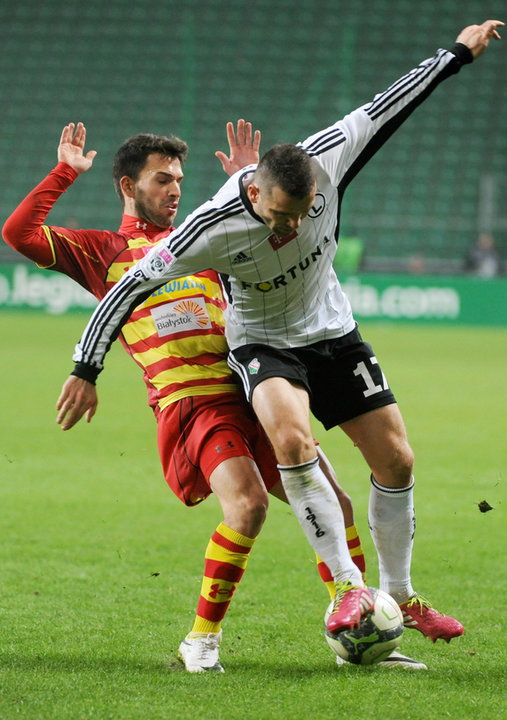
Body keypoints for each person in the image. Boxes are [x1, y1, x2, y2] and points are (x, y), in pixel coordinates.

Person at [57, 19, 501, 650]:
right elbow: (129, 288)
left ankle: (400, 595)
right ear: (255, 193)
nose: (291, 226)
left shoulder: (327, 155)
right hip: (263, 342)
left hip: (333, 330)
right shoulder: (209, 227)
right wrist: (85, 367)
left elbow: (389, 105)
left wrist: (457, 53)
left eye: (302, 213)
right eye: (279, 216)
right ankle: (349, 588)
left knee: (397, 458)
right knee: (292, 442)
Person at [6, 121, 427, 672]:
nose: (175, 189)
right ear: (128, 187)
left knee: (338, 503)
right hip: (193, 403)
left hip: (251, 388)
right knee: (248, 506)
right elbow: (19, 233)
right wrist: (64, 173)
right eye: (161, 180)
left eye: (179, 178)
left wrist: (245, 192)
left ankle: (358, 626)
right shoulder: (102, 252)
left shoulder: (211, 240)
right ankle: (201, 639)